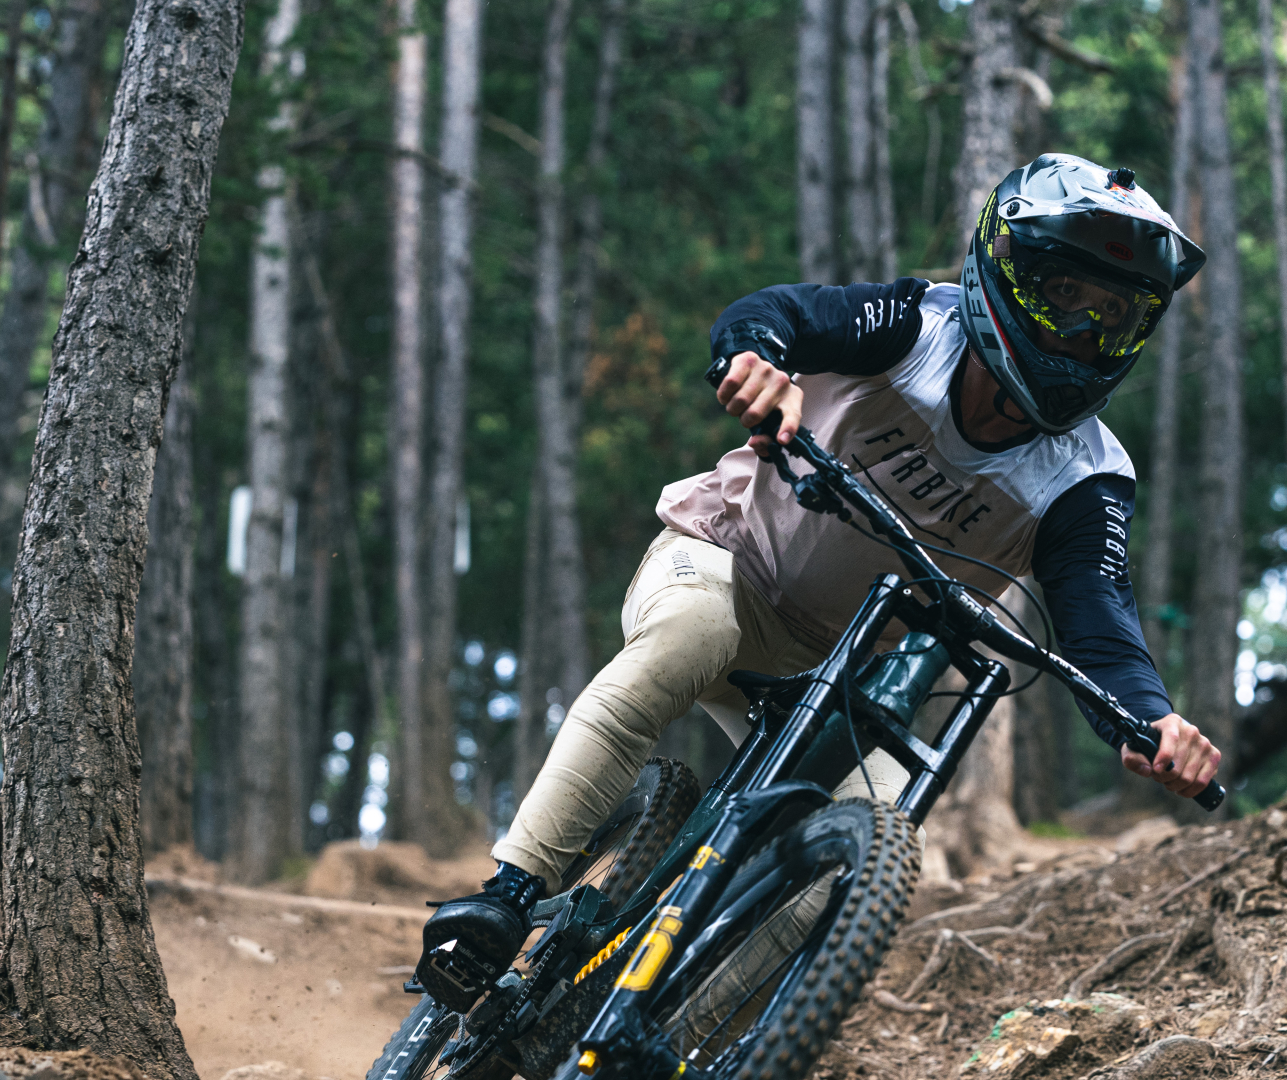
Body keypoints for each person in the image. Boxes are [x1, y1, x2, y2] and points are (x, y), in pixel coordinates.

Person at [415, 153, 1224, 1014]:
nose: (1087, 334)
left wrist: (1151, 719)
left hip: (840, 681)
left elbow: (1098, 617)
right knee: (688, 639)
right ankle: (503, 901)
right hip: (725, 567)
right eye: (1067, 296)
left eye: (1116, 316)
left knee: (867, 842)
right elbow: (777, 315)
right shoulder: (916, 326)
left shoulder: (1088, 475)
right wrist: (759, 361)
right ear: (1010, 274)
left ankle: (669, 1034)